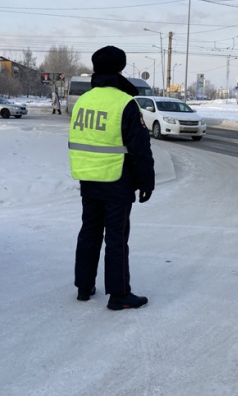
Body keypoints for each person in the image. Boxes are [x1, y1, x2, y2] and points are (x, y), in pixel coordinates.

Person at [68, 45, 155, 310]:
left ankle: (84, 287)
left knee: (89, 232)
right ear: (121, 67)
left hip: (87, 177)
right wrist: (146, 182)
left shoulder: (84, 100)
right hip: (117, 178)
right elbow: (139, 147)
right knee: (116, 237)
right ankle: (119, 294)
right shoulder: (125, 103)